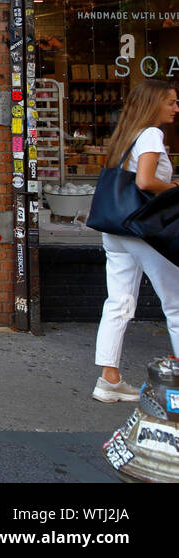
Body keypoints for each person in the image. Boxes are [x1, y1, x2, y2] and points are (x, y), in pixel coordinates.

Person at [93, 78, 179, 403]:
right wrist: (174, 188)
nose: (176, 108)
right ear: (154, 103)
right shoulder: (151, 134)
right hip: (143, 229)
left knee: (118, 302)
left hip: (116, 229)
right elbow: (145, 181)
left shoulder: (125, 135)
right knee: (176, 304)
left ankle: (108, 379)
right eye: (171, 101)